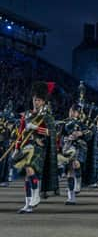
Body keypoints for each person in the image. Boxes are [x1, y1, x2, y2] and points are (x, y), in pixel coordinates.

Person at [15, 81, 58, 213]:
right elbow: (20, 133)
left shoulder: (47, 116)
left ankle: (36, 195)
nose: (36, 102)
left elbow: (51, 132)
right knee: (27, 176)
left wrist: (36, 128)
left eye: (39, 100)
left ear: (43, 101)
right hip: (26, 146)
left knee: (30, 169)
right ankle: (28, 204)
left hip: (39, 147)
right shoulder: (27, 115)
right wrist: (16, 148)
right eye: (35, 99)